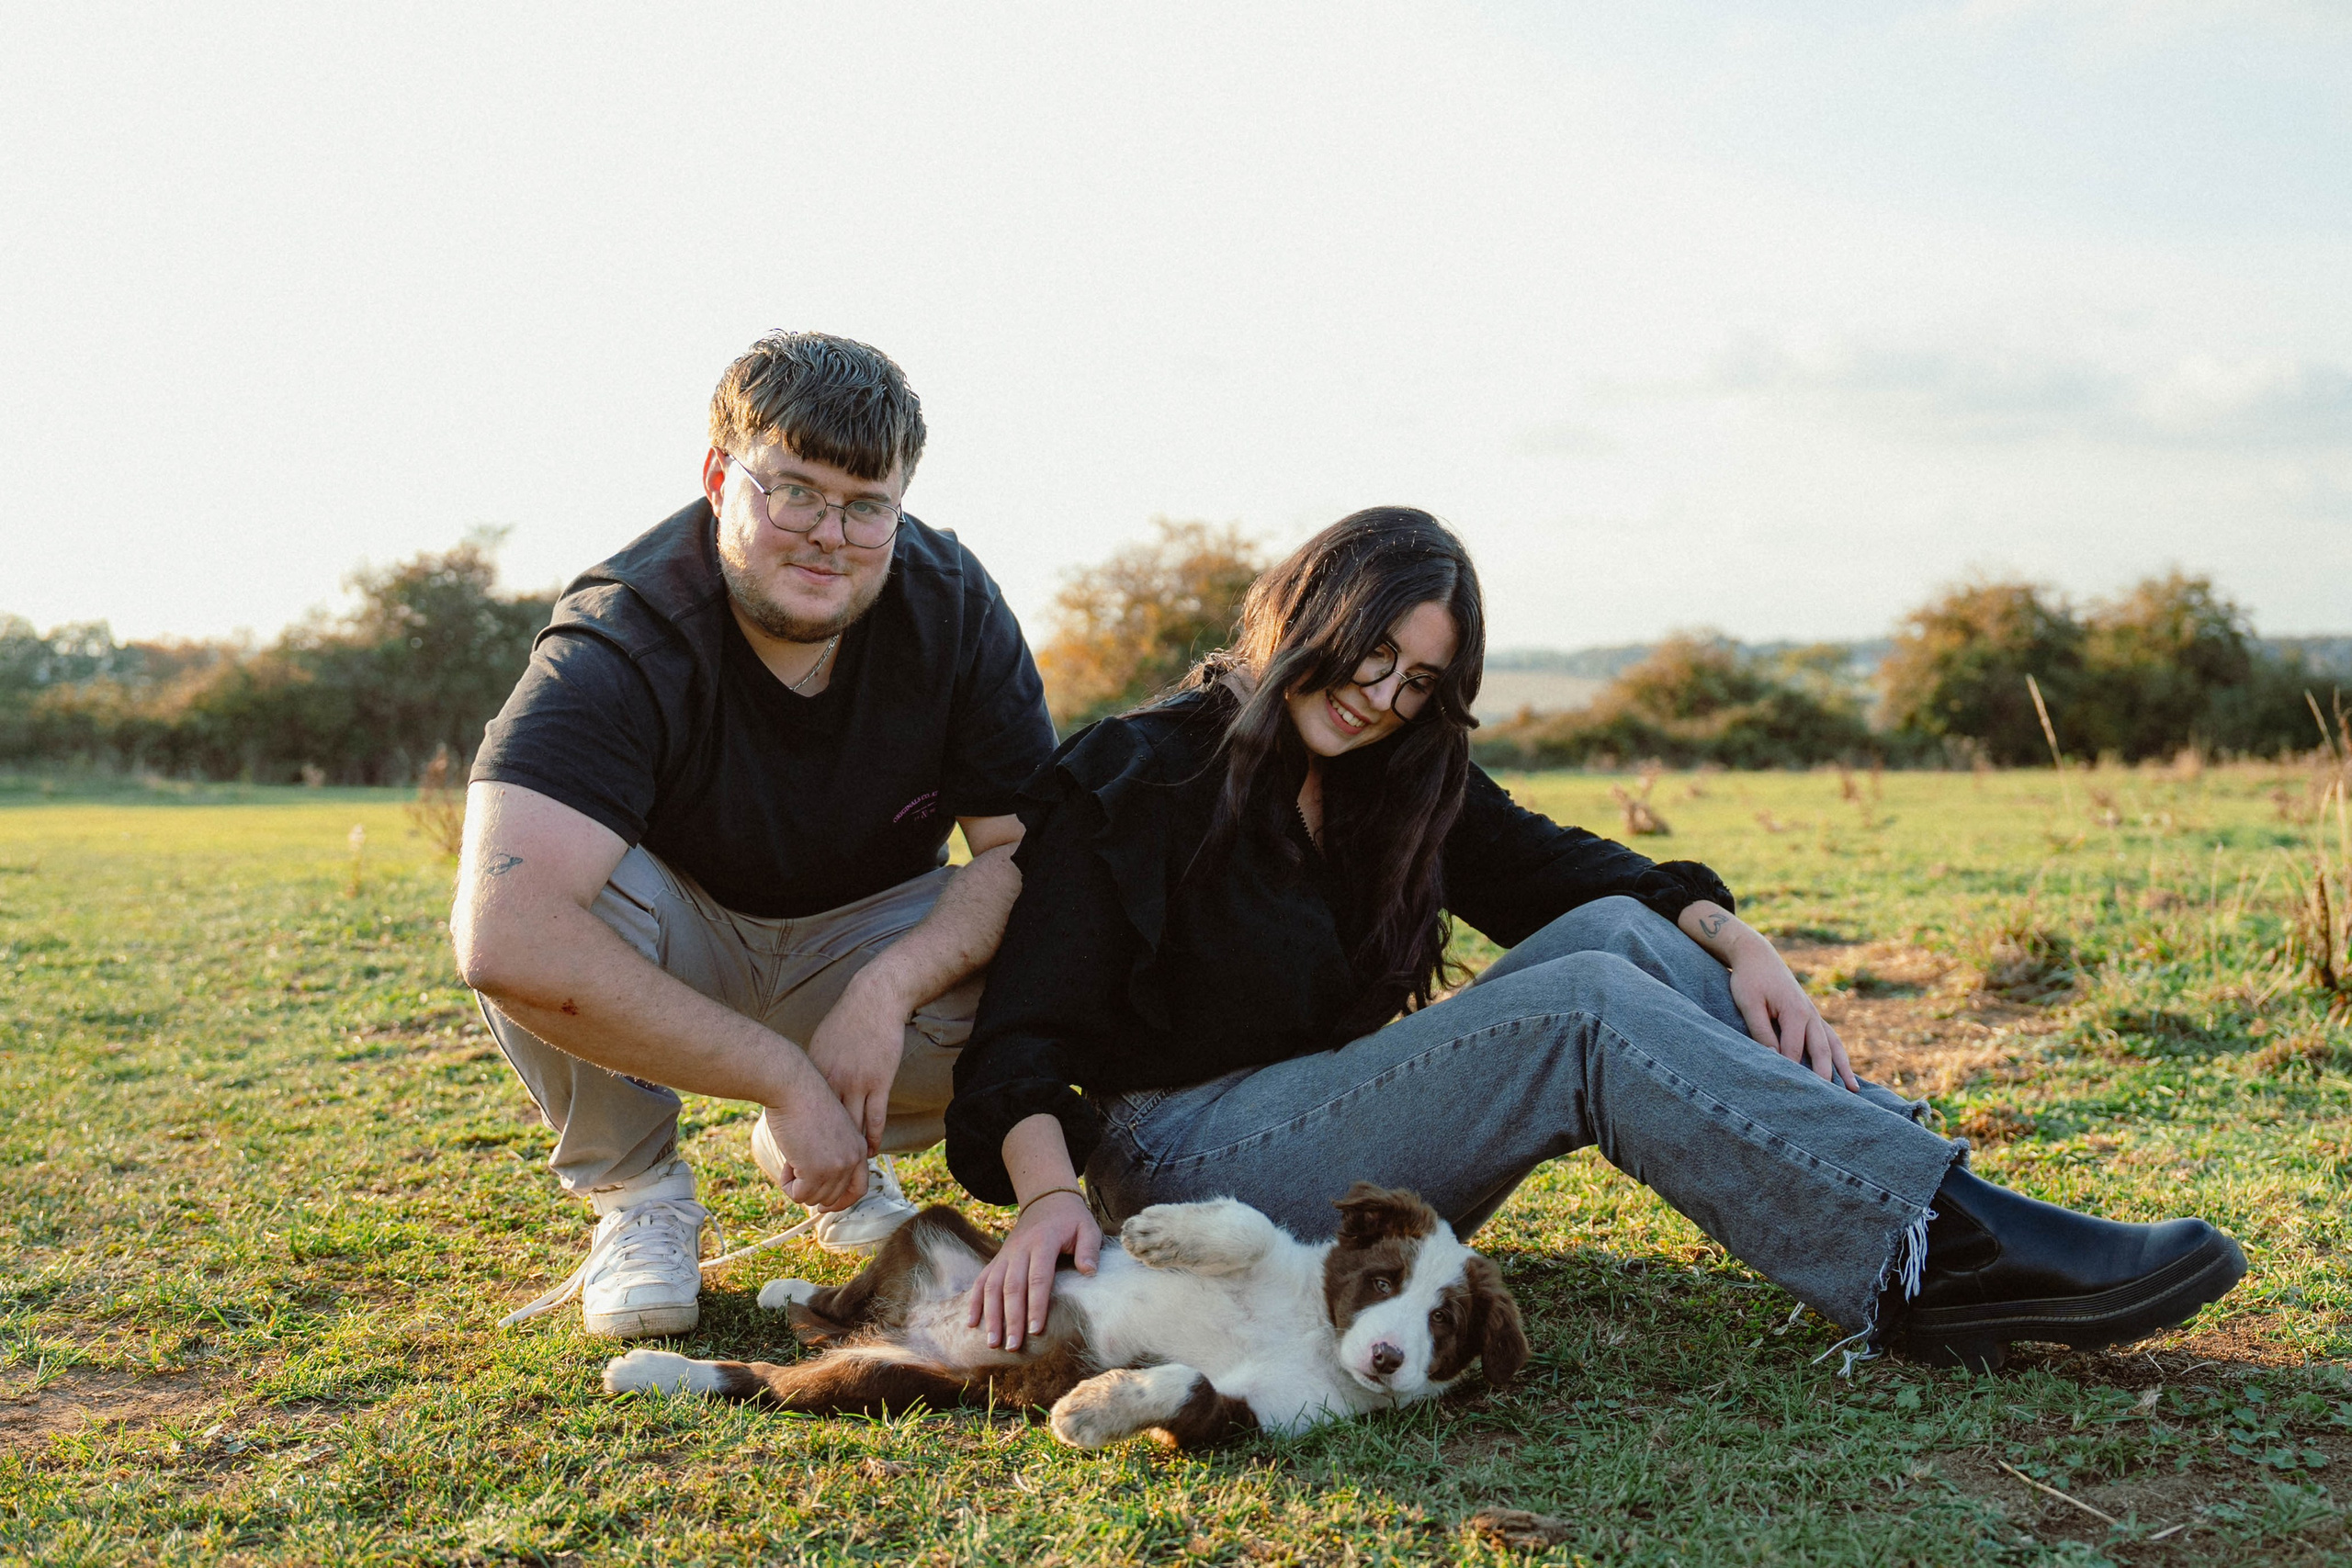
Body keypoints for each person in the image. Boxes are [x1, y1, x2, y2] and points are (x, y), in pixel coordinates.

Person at [945, 507, 2245, 1371]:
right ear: (1307, 610)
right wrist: (1051, 1198)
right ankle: (1930, 1250)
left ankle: (1928, 1201)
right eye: (1368, 653)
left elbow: (1570, 872)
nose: (1381, 698)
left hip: (1335, 1150)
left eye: (1421, 684)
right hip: (1182, 1167)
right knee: (1579, 1005)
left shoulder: (1400, 780)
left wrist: (1738, 938)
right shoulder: (1142, 769)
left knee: (1618, 930)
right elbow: (1020, 1042)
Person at [453, 331, 1056, 1337]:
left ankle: (848, 1165)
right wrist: (778, 1076)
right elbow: (505, 934)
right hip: (682, 941)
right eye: (794, 491)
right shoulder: (623, 629)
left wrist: (886, 988)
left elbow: (1017, 849)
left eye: (866, 506)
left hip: (862, 941)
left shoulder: (952, 608)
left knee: (1055, 922)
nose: (829, 533)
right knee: (550, 891)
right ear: (717, 477)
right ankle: (640, 1196)